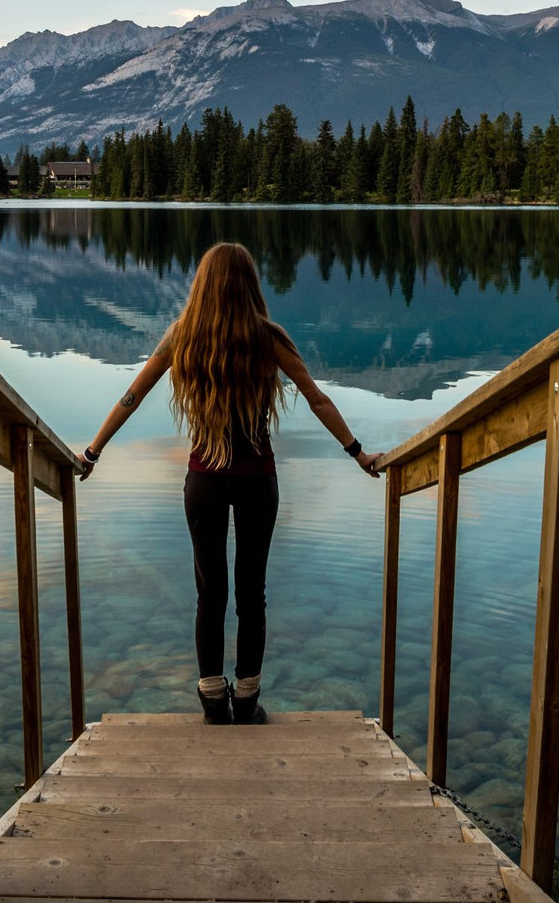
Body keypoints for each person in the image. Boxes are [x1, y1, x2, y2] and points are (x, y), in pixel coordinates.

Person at [77, 241, 381, 725]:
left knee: (210, 593)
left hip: (205, 482)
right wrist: (357, 453)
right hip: (258, 481)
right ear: (250, 285)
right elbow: (317, 399)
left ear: (202, 284)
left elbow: (132, 395)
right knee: (251, 592)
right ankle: (247, 697)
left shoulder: (183, 336)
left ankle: (213, 701)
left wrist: (92, 451)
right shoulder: (269, 336)